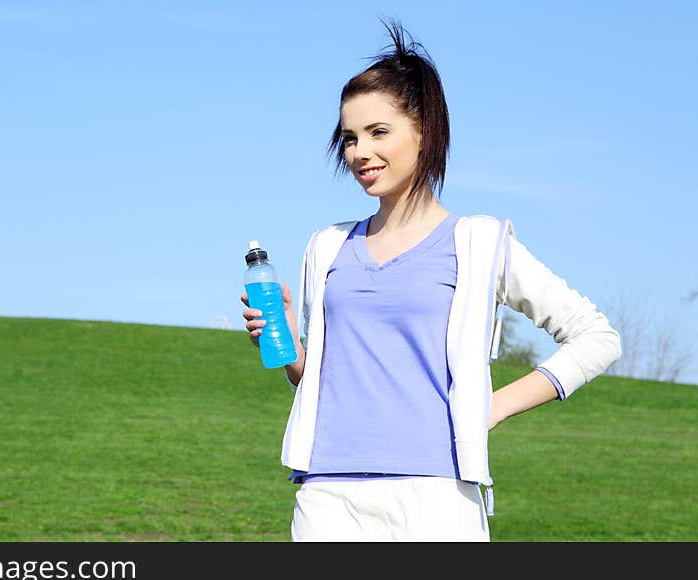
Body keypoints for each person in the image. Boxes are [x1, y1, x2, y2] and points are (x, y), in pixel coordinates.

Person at [240, 19, 621, 542]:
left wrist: (493, 407)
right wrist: (292, 350)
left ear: (423, 132)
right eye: (349, 138)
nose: (359, 153)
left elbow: (596, 337)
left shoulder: (478, 243)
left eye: (378, 132)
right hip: (328, 492)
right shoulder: (327, 245)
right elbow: (317, 384)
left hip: (436, 495)